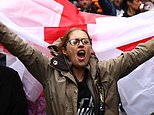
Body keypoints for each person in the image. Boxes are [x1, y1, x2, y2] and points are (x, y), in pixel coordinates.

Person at [0, 22, 154, 115]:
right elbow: (20, 47)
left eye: (85, 41)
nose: (81, 44)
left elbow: (138, 54)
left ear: (90, 49)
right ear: (64, 50)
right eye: (75, 42)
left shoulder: (107, 70)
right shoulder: (49, 71)